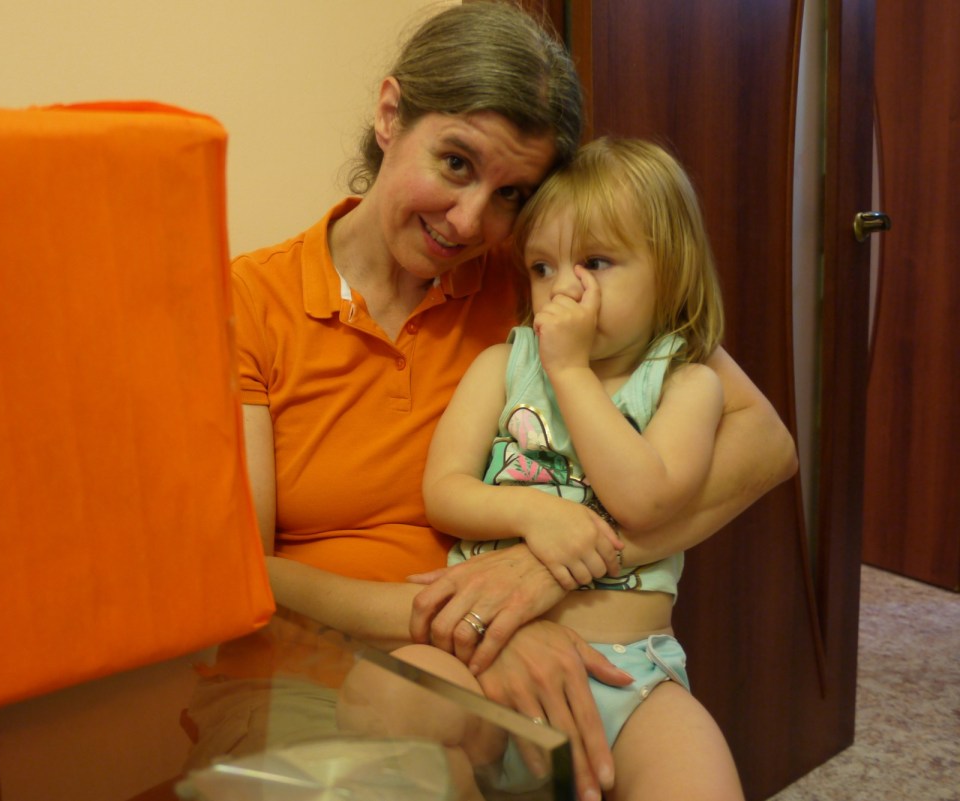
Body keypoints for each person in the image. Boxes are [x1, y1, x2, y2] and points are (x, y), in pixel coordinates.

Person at [209, 3, 796, 799]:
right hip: (334, 661)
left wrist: (540, 574)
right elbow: (243, 575)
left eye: (511, 192)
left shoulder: (541, 285)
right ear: (390, 115)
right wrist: (472, 620)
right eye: (455, 163)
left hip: (539, 645)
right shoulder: (252, 300)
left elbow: (764, 442)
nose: (469, 221)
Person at [383, 136, 744, 799]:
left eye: (596, 262)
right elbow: (445, 491)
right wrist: (533, 512)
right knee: (392, 693)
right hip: (483, 658)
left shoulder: (686, 385)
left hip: (630, 680)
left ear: (670, 271)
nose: (564, 288)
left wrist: (572, 371)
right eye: (543, 267)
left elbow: (644, 500)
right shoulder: (504, 364)